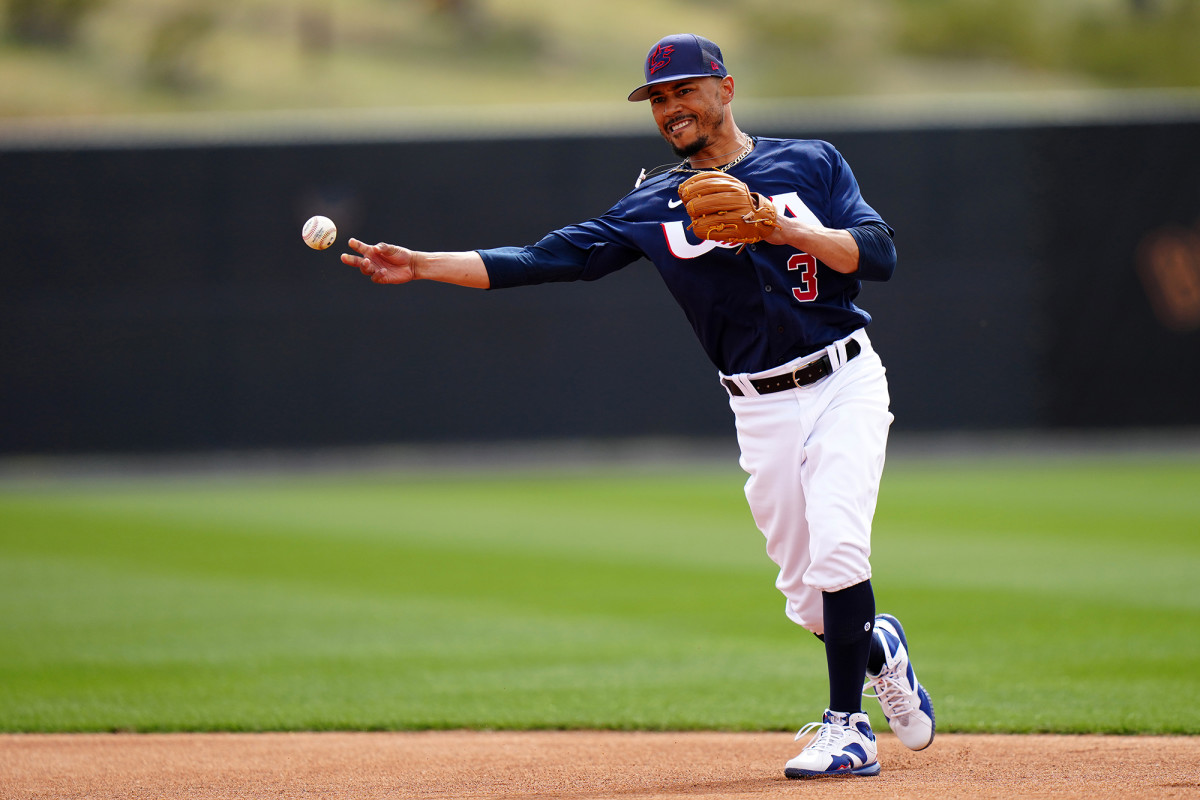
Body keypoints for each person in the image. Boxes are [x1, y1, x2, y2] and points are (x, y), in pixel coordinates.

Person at [340, 32, 935, 779]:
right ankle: (879, 647)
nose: (670, 108)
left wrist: (776, 224)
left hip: (842, 379)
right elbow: (541, 259)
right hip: (759, 408)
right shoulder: (655, 203)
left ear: (725, 87)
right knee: (814, 605)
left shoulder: (809, 162)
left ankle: (848, 727)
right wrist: (423, 265)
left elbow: (878, 257)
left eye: (684, 90)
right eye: (657, 98)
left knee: (841, 549)